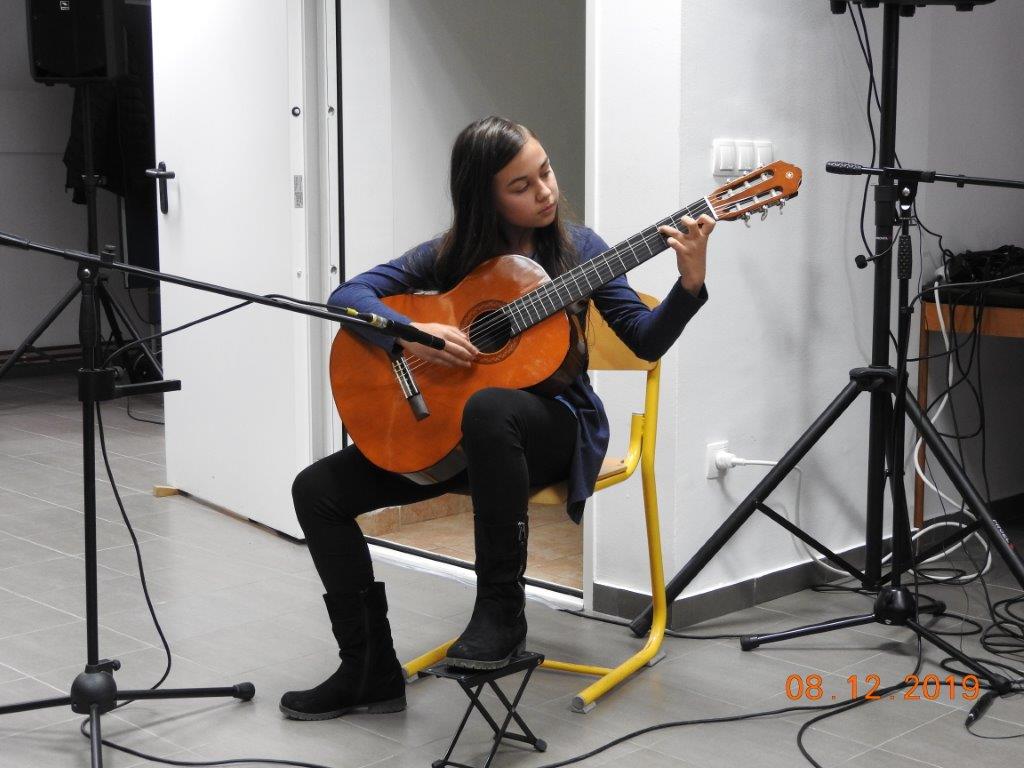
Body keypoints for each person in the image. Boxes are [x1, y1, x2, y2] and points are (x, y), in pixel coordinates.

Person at [279, 116, 715, 720]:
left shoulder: (580, 250)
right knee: (317, 490)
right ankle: (368, 670)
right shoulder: (450, 255)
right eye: (521, 185)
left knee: (490, 407)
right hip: (459, 442)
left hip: (552, 431)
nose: (545, 191)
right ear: (483, 197)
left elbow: (643, 340)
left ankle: (500, 613)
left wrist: (688, 285)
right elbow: (348, 298)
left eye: (546, 172)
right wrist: (413, 334)